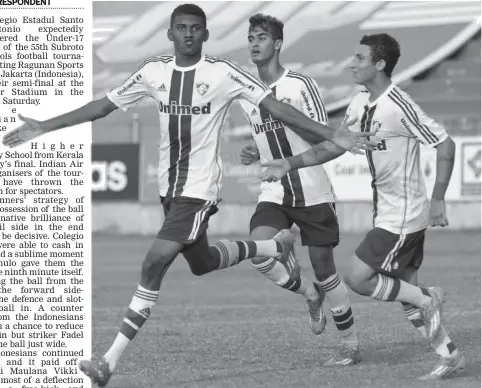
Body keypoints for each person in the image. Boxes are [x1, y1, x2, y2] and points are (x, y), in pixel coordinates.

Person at [2, 5, 376, 387]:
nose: (188, 34)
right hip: (170, 189)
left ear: (206, 35)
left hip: (199, 192)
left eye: (196, 28)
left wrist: (333, 134)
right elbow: (103, 106)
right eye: (181, 28)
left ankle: (108, 364)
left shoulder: (222, 73)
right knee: (202, 262)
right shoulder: (153, 72)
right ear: (170, 33)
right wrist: (45, 125)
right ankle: (271, 249)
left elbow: (277, 108)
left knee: (155, 261)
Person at [260, 33, 466, 380]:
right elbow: (335, 146)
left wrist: (438, 198)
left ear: (379, 64)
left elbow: (445, 144)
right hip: (387, 210)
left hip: (403, 215)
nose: (351, 64)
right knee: (406, 292)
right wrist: (290, 163)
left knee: (358, 276)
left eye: (359, 58)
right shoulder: (360, 103)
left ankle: (429, 297)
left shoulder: (398, 105)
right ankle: (450, 354)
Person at [238, 14, 360, 366]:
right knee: (259, 252)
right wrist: (254, 148)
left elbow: (322, 134)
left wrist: (291, 135)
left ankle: (350, 343)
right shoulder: (246, 94)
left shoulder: (301, 85)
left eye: (261, 37)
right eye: (250, 38)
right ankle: (309, 293)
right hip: (274, 190)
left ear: (277, 44)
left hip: (311, 189)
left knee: (325, 268)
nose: (254, 43)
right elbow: (266, 138)